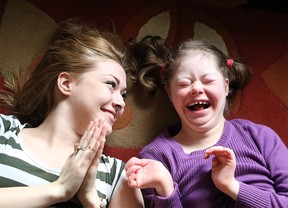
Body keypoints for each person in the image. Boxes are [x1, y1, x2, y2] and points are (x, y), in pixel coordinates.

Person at [125, 36, 288, 207]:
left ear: (226, 86)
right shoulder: (157, 158)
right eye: (183, 83)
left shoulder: (258, 136)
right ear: (169, 93)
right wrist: (166, 190)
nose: (196, 88)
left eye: (208, 81)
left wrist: (232, 186)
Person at [0, 18, 144, 207]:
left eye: (124, 95)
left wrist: (91, 201)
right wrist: (59, 190)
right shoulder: (4, 131)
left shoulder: (117, 174)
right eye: (111, 84)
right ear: (66, 83)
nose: (120, 103)